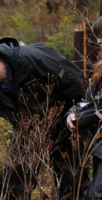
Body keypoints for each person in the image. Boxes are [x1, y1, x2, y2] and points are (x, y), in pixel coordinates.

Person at [0, 37, 88, 199]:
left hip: (66, 127)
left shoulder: (39, 60)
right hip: (27, 133)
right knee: (12, 186)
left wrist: (77, 113)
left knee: (72, 185)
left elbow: (81, 89)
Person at [66, 16, 102, 200]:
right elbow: (88, 98)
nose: (98, 43)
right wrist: (72, 114)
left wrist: (82, 119)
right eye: (97, 38)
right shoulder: (99, 71)